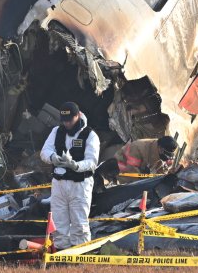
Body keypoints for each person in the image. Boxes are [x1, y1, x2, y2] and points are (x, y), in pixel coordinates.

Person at [40, 102, 99, 249]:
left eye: (70, 120)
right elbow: (44, 151)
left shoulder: (90, 135)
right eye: (64, 120)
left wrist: (76, 165)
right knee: (59, 223)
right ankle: (62, 255)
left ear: (78, 116)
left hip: (80, 184)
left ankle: (80, 257)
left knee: (79, 223)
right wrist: (53, 157)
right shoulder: (56, 131)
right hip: (59, 183)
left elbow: (92, 161)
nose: (66, 123)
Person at [105, 136, 178, 179]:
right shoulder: (139, 148)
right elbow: (130, 170)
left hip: (137, 172)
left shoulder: (162, 153)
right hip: (118, 170)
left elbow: (161, 172)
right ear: (160, 148)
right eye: (166, 154)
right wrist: (143, 178)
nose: (167, 158)